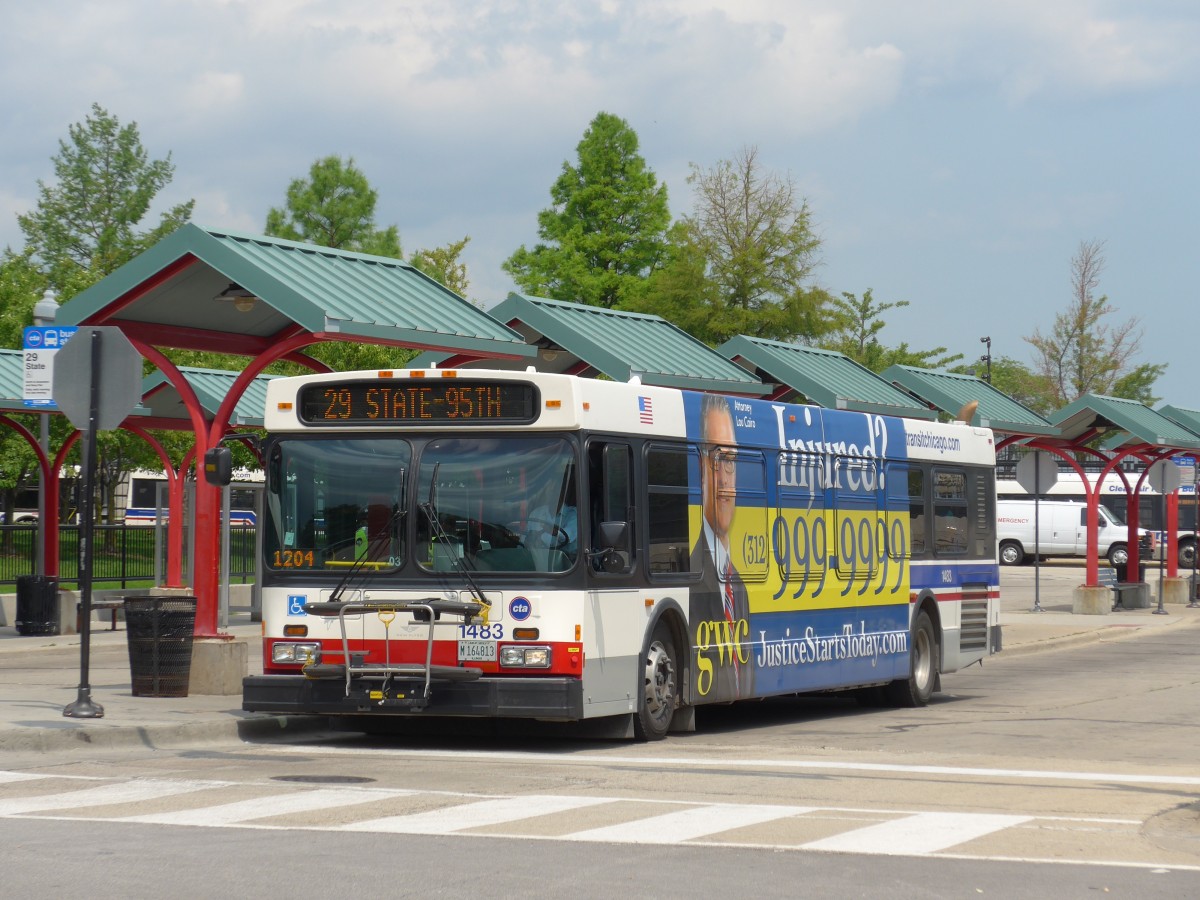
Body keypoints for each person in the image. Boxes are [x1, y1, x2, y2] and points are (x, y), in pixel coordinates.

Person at [690, 393, 752, 699]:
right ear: (700, 467)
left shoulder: (740, 585)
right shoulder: (689, 578)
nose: (726, 480)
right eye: (718, 460)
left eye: (732, 461)